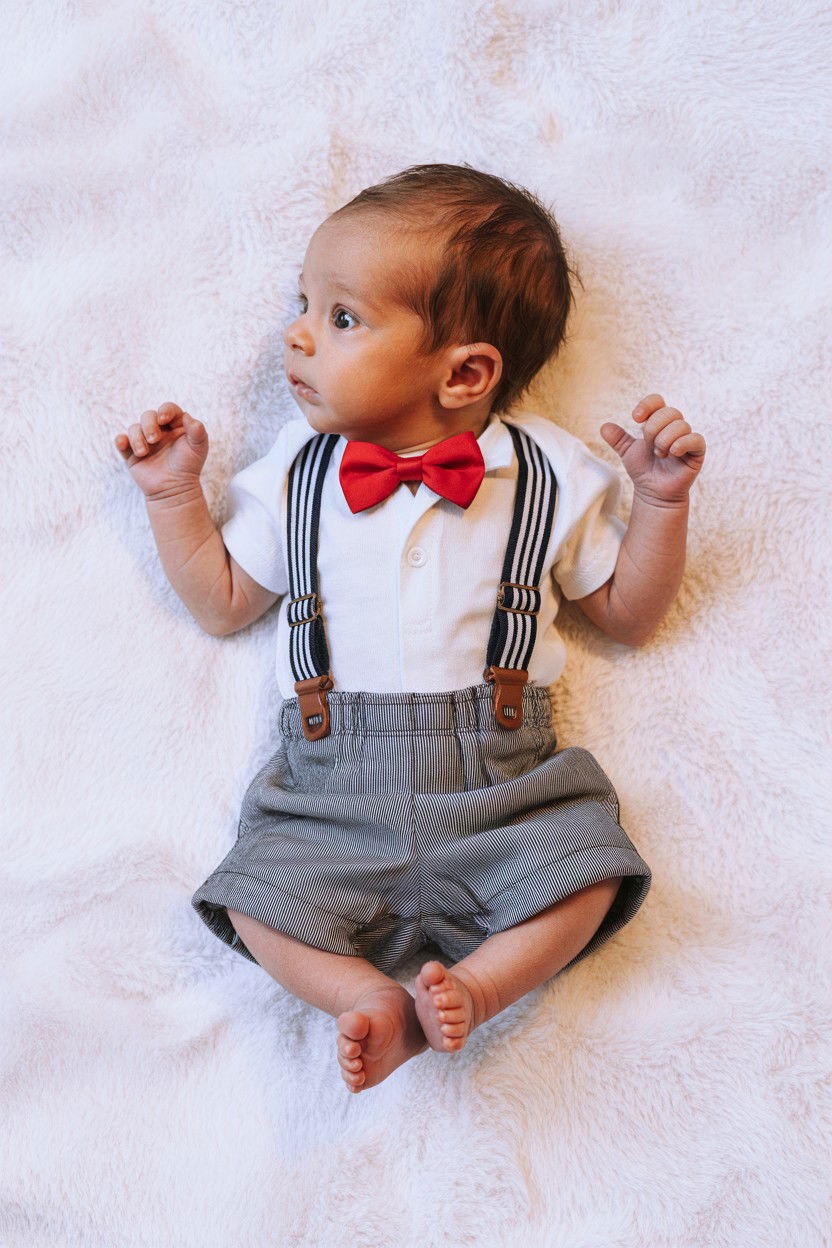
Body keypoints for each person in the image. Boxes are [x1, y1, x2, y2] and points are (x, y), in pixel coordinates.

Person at [113, 163, 706, 1094]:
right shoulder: (300, 470)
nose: (298, 334)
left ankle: (481, 985)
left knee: (593, 871)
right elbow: (222, 600)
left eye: (343, 318)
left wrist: (661, 504)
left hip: (502, 790)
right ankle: (365, 997)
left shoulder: (550, 472)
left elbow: (627, 617)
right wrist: (172, 494)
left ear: (465, 373)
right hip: (331, 800)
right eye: (304, 304)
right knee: (252, 894)